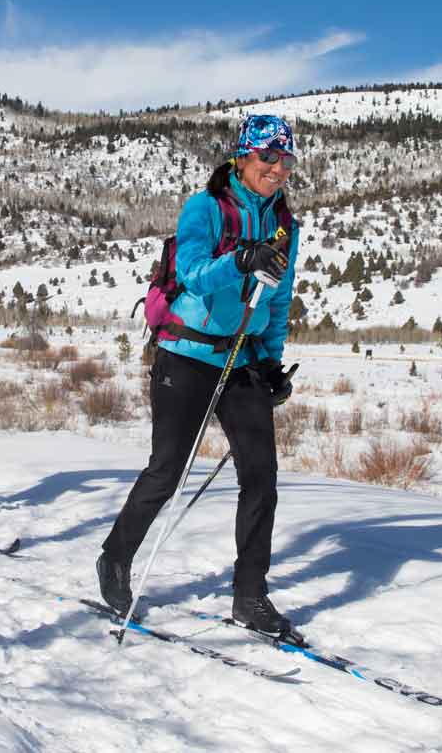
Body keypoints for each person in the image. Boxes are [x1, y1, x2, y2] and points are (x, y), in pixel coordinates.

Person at [97, 114, 302, 637]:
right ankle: (115, 559)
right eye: (267, 158)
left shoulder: (285, 225)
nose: (277, 169)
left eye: (286, 160)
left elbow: (277, 299)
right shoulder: (205, 208)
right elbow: (191, 273)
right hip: (186, 354)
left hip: (242, 358)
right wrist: (241, 260)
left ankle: (250, 595)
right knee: (166, 471)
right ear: (242, 157)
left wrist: (272, 361)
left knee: (261, 477)